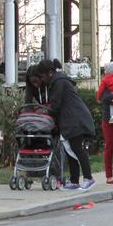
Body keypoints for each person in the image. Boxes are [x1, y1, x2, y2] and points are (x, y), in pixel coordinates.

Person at [37, 59, 96, 190]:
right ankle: (74, 181)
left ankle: (88, 178)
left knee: (77, 149)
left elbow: (55, 105)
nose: (42, 80)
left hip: (75, 120)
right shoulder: (59, 81)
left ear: (49, 73)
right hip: (72, 119)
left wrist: (45, 110)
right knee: (70, 150)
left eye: (42, 76)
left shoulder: (59, 82)